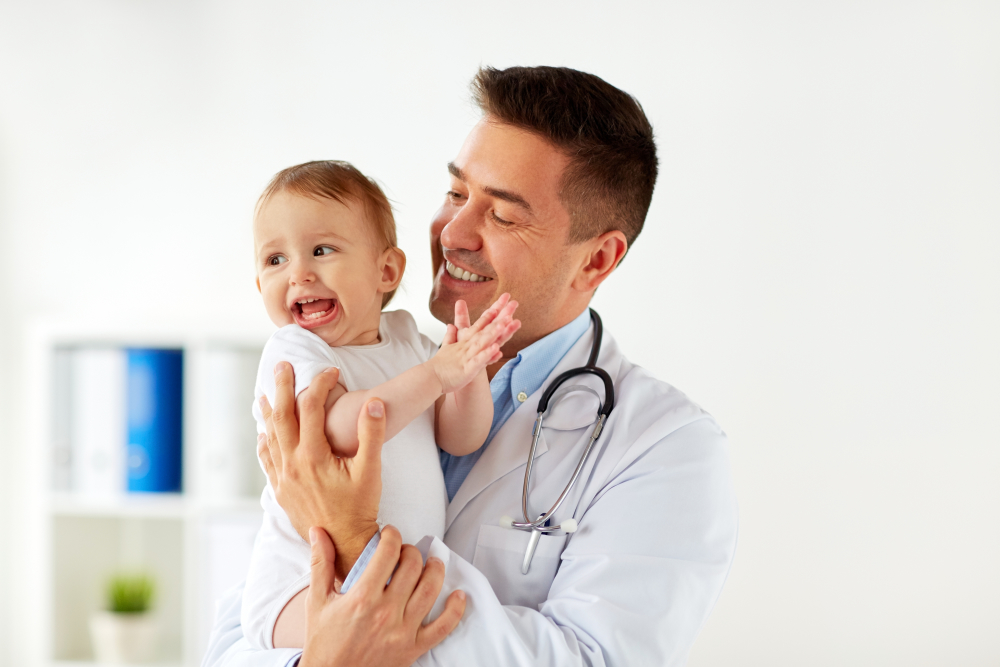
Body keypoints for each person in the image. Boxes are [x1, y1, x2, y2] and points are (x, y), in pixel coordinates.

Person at [203, 65, 738, 667]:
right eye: (456, 194)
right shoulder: (366, 362)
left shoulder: (665, 448)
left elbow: (589, 661)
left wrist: (354, 545)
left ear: (596, 260)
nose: (452, 232)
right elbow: (236, 639)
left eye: (503, 215)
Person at [243, 160, 520, 649]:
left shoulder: (406, 339)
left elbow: (461, 436)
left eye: (322, 250)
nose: (299, 273)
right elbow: (337, 431)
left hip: (387, 577)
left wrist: (468, 373)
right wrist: (437, 374)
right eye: (274, 260)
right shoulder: (296, 350)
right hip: (301, 585)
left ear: (385, 270)